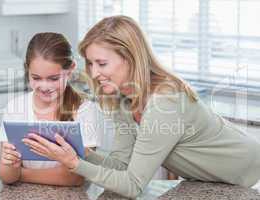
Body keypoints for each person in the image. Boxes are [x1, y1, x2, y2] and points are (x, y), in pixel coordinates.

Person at [23, 16, 260, 198]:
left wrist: (74, 163)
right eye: (90, 63)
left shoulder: (165, 101)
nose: (94, 73)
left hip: (250, 174)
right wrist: (80, 152)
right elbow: (121, 166)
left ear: (130, 57)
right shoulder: (121, 99)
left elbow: (132, 186)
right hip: (212, 183)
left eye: (102, 63)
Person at [0, 32, 103, 186]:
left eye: (54, 79)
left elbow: (75, 177)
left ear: (71, 69)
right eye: (36, 78)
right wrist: (11, 167)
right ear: (27, 71)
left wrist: (20, 174)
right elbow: (6, 176)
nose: (44, 86)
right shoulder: (16, 107)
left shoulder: (84, 110)